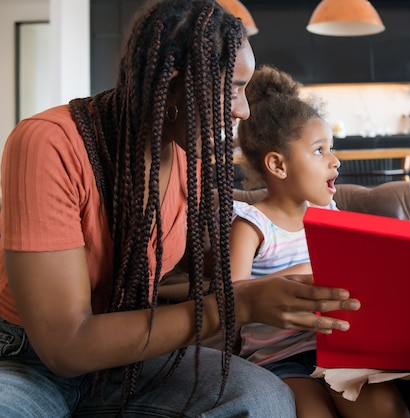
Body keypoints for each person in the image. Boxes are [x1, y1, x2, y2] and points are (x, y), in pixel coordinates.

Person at [0, 1, 361, 416]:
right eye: (234, 88)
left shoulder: (185, 153)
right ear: (173, 84)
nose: (243, 110)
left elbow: (204, 264)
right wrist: (240, 304)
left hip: (128, 360)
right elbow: (66, 345)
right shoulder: (47, 143)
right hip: (29, 361)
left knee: (264, 398)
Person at [230, 65, 410, 418]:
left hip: (339, 349)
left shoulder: (330, 214)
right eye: (319, 151)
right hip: (279, 360)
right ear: (277, 165)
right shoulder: (252, 225)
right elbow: (231, 300)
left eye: (332, 148)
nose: (335, 161)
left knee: (387, 410)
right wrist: (302, 273)